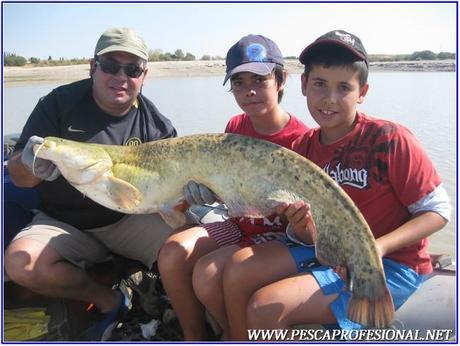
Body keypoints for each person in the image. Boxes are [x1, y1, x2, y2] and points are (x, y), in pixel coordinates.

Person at [201, 30, 451, 340]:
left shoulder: (389, 139)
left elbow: (437, 211)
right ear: (304, 85)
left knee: (264, 307)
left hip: (392, 263)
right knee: (238, 267)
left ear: (363, 91)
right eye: (320, 84)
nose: (329, 98)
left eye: (343, 87)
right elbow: (305, 235)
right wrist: (299, 225)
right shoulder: (302, 147)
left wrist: (376, 247)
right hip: (329, 253)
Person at [4, 27, 177, 340]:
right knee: (20, 264)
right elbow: (19, 177)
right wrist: (30, 163)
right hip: (63, 220)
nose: (120, 76)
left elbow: (173, 196)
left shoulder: (157, 126)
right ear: (92, 66)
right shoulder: (59, 104)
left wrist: (192, 196)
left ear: (144, 75)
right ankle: (112, 300)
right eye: (110, 65)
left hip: (128, 218)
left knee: (192, 247)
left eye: (132, 68)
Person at [157, 34, 309, 340]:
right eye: (238, 82)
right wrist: (203, 192)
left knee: (208, 274)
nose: (249, 90)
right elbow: (227, 190)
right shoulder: (235, 127)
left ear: (281, 80)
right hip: (239, 225)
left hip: (281, 238)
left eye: (260, 79)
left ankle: (235, 336)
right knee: (172, 251)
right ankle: (197, 337)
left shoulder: (303, 141)